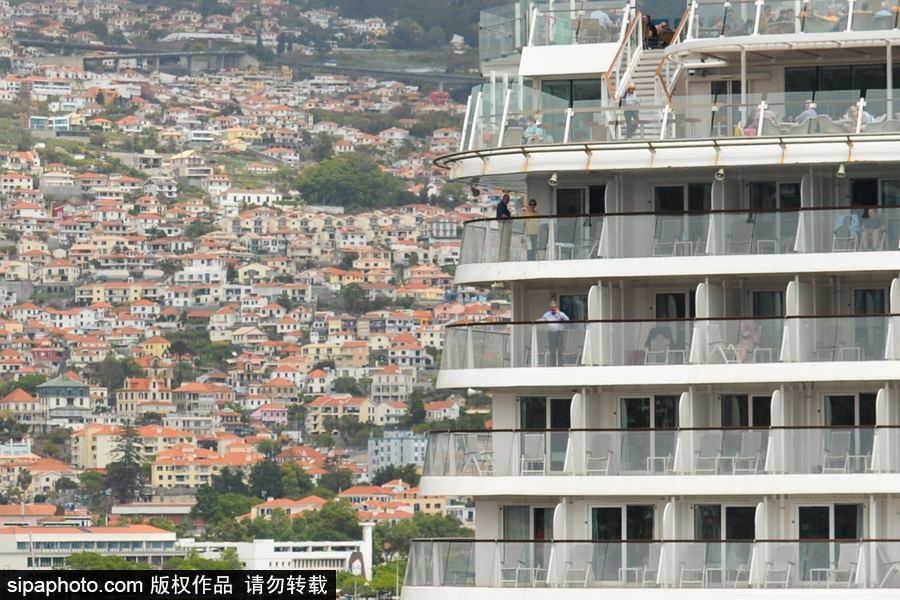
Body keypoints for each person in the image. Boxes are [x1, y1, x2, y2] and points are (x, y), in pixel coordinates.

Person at [539, 302, 570, 366]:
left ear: (556, 307)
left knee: (560, 350)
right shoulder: (547, 314)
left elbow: (567, 319)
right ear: (550, 308)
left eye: (555, 307)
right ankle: (552, 365)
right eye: (552, 307)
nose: (554, 309)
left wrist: (559, 314)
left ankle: (560, 365)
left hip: (559, 333)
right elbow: (542, 319)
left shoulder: (560, 314)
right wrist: (537, 320)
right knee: (552, 350)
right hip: (551, 333)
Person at [496, 193, 513, 261]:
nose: (507, 200)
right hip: (503, 224)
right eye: (506, 199)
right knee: (504, 242)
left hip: (507, 224)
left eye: (508, 199)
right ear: (503, 199)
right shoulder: (501, 205)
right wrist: (510, 219)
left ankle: (506, 257)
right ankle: (502, 259)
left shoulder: (505, 206)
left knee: (507, 242)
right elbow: (503, 215)